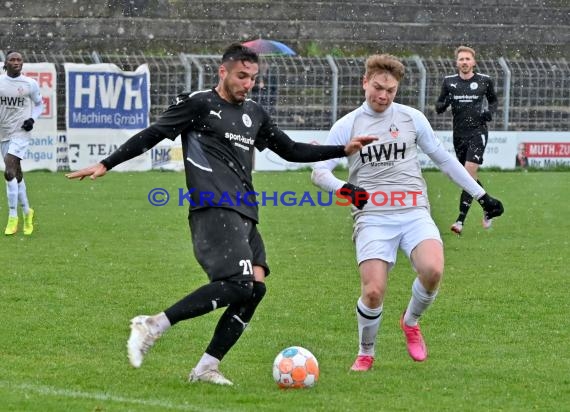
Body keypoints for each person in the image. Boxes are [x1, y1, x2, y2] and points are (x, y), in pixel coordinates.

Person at [66, 43, 375, 386]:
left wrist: (341, 150)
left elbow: (288, 149)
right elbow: (154, 133)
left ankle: (205, 368)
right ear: (223, 72)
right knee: (238, 284)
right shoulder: (199, 104)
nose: (248, 84)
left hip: (245, 212)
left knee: (254, 289)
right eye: (242, 76)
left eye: (253, 78)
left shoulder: (255, 113)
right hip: (212, 207)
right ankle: (152, 325)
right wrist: (107, 163)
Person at [311, 54, 504, 371]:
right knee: (373, 291)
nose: (383, 96)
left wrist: (480, 194)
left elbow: (444, 160)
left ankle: (410, 321)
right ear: (365, 82)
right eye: (377, 88)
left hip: (414, 211)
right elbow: (319, 172)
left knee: (433, 271)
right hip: (372, 216)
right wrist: (347, 190)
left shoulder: (411, 118)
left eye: (390, 90)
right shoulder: (347, 126)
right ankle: (366, 352)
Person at [435, 45, 499, 235]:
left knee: (468, 174)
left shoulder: (484, 81)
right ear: (457, 63)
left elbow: (494, 101)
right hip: (459, 135)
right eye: (461, 59)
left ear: (473, 62)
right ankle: (489, 206)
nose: (464, 62)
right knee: (467, 176)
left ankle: (460, 221)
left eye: (467, 59)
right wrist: (445, 102)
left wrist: (490, 113)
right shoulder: (449, 82)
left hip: (478, 132)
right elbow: (439, 105)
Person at [0, 51, 43, 236]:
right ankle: (27, 212)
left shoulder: (29, 84)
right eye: (12, 59)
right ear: (6, 63)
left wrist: (32, 119)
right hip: (3, 133)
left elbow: (40, 104)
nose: (16, 62)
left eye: (19, 60)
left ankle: (12, 217)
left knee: (9, 171)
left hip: (21, 133)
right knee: (17, 174)